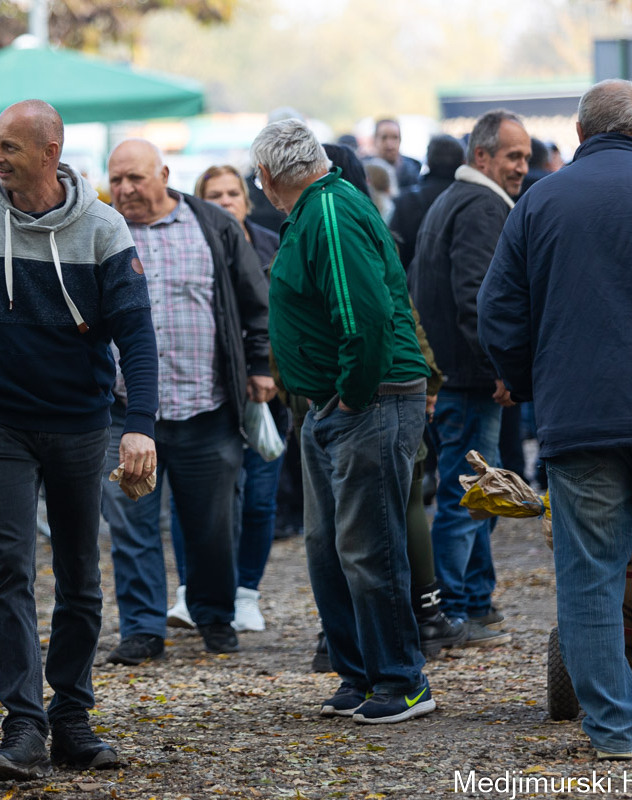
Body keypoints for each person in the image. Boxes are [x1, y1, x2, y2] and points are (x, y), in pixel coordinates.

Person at [0, 100, 158, 781]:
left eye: (9, 146)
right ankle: (23, 723)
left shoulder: (103, 228)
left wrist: (140, 424)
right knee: (11, 568)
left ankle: (73, 716)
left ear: (50, 153)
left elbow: (137, 335)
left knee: (82, 572)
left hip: (81, 422)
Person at [478, 79, 632, 762]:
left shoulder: (539, 201)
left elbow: (497, 308)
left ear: (580, 134)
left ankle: (613, 729)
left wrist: (530, 383)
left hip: (579, 418)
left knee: (589, 578)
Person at [255, 119, 432, 724]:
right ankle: (360, 673)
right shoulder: (316, 209)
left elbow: (364, 314)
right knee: (330, 547)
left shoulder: (328, 210)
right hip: (336, 403)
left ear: (267, 175)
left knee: (368, 546)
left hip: (367, 400)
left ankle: (402, 680)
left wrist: (352, 395)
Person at [101, 142, 271, 666]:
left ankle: (214, 614)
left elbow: (254, 300)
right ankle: (142, 628)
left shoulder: (212, 224)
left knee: (213, 523)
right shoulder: (102, 231)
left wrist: (261, 364)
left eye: (135, 178)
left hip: (206, 404)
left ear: (165, 174)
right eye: (116, 180)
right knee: (132, 524)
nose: (124, 189)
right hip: (125, 410)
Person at [408, 109, 530, 648]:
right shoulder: (481, 205)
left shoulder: (456, 199)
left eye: (526, 157)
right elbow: (476, 298)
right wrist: (499, 366)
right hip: (468, 378)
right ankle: (452, 610)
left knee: (478, 495)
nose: (522, 167)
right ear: (481, 156)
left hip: (456, 376)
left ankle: (474, 601)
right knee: (468, 498)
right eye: (512, 156)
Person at [163, 164, 286, 635]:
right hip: (207, 391)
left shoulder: (272, 244)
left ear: (247, 200)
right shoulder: (189, 241)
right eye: (214, 194)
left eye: (233, 193)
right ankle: (190, 590)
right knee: (194, 501)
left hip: (264, 390)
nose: (225, 201)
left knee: (258, 498)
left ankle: (245, 593)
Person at [389, 134, 466, 270]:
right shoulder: (471, 199)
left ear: (428, 161)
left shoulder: (406, 201)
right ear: (463, 161)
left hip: (413, 278)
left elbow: (394, 252)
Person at [374, 118, 422, 189]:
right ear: (375, 140)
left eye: (394, 137)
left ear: (400, 140)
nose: (389, 144)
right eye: (384, 138)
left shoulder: (414, 170)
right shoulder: (365, 170)